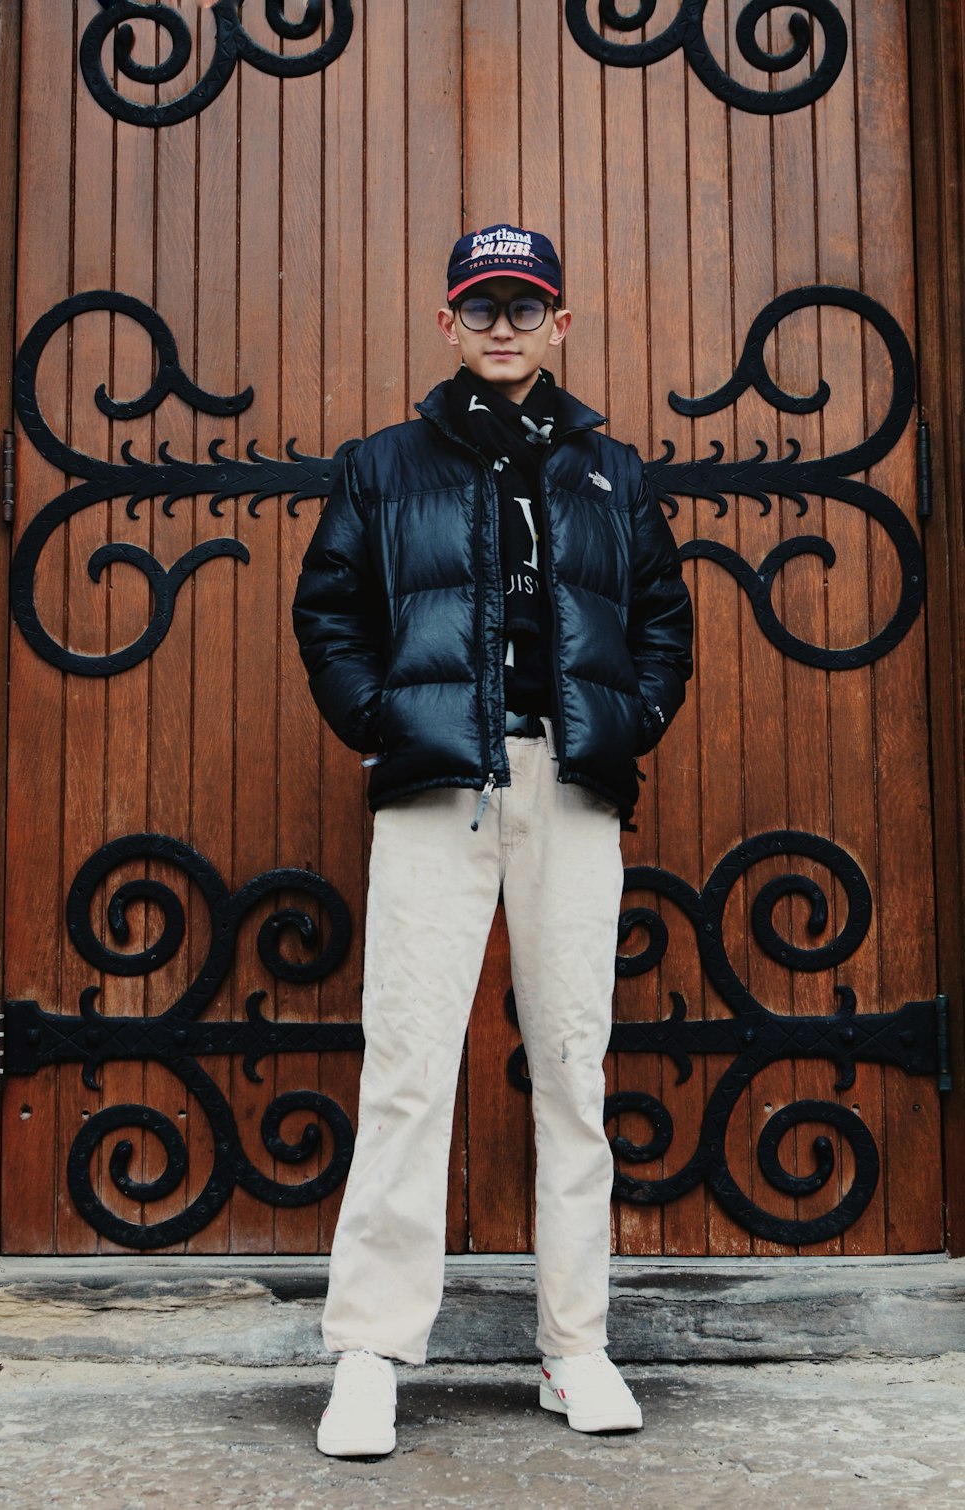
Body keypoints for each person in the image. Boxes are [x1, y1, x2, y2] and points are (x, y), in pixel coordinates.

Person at [292, 224, 693, 1457]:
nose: (504, 326)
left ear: (560, 321)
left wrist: (630, 719)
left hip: (568, 788)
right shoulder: (382, 463)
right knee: (408, 1065)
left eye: (526, 306)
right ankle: (369, 1355)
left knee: (574, 1065)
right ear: (446, 323)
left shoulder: (612, 472)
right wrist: (384, 721)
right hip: (435, 790)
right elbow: (331, 611)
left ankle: (575, 1349)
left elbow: (664, 621)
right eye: (483, 306)